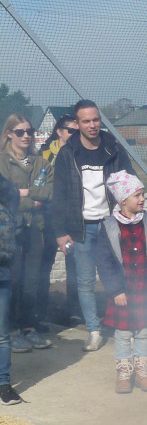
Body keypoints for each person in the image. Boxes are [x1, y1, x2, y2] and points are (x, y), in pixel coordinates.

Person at [52, 99, 135, 352]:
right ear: (76, 124)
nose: (92, 125)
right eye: (86, 121)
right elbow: (60, 195)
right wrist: (60, 231)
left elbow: (130, 183)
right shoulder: (68, 154)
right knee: (86, 282)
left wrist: (128, 216)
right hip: (82, 228)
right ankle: (94, 331)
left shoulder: (114, 149)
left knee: (119, 278)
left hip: (112, 225)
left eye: (96, 119)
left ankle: (125, 326)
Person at [95, 171, 147, 393]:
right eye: (137, 195)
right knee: (123, 332)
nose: (142, 199)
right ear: (122, 200)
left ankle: (142, 370)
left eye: (143, 194)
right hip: (123, 292)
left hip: (145, 290)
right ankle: (124, 371)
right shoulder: (109, 227)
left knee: (144, 330)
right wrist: (115, 290)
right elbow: (104, 261)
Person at [0, 114, 53, 352]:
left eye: (29, 131)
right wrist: (27, 197)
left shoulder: (41, 163)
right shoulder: (2, 162)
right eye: (20, 132)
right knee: (12, 280)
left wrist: (22, 193)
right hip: (9, 231)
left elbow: (48, 193)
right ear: (9, 133)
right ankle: (10, 330)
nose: (26, 136)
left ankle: (28, 327)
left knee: (32, 280)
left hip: (34, 228)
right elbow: (5, 199)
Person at [39, 113, 80, 327]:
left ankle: (74, 310)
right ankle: (40, 311)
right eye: (71, 131)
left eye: (77, 131)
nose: (75, 135)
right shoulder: (44, 154)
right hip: (46, 218)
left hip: (70, 218)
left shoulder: (78, 153)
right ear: (59, 131)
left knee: (74, 264)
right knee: (43, 264)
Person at [0, 171, 24, 405]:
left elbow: (14, 195)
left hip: (2, 272)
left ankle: (4, 385)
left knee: (2, 335)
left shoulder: (4, 186)